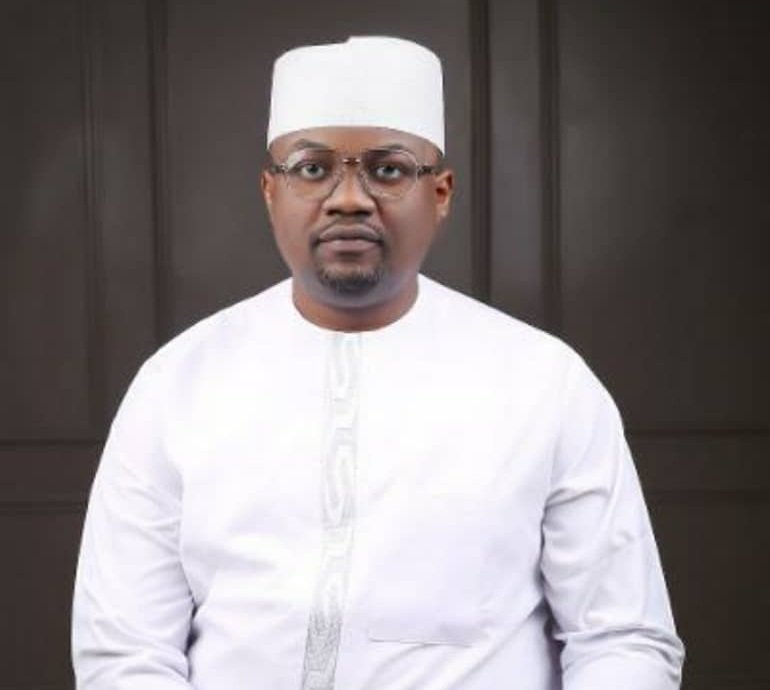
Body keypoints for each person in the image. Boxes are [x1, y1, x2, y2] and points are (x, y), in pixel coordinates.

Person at [71, 36, 684, 690]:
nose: (348, 199)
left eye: (388, 170)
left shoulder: (544, 384)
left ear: (441, 193)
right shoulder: (177, 386)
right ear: (270, 191)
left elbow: (622, 639)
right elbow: (127, 652)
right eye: (312, 169)